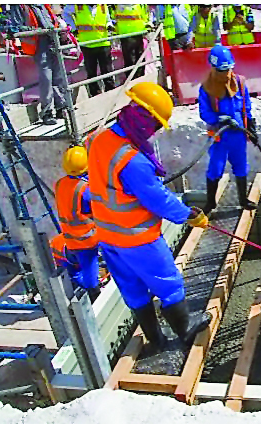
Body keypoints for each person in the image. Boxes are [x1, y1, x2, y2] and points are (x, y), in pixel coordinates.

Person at [85, 81, 212, 349]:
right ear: (145, 119)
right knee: (169, 284)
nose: (153, 133)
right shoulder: (132, 161)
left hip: (107, 235)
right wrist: (189, 215)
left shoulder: (98, 139)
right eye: (154, 126)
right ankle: (185, 330)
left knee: (133, 289)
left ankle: (155, 339)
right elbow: (157, 199)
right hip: (137, 237)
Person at [198, 45, 257, 214]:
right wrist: (217, 119)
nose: (227, 74)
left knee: (241, 165)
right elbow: (204, 111)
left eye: (229, 69)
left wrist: (251, 126)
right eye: (223, 70)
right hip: (220, 135)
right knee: (216, 167)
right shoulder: (207, 88)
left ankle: (243, 200)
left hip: (238, 133)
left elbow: (246, 105)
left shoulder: (239, 82)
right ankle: (210, 202)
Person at [55, 146, 101, 303]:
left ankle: (85, 285)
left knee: (80, 266)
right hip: (88, 238)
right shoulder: (85, 189)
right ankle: (96, 297)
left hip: (69, 237)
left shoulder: (60, 184)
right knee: (90, 270)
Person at [7, 5, 67, 125]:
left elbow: (50, 20)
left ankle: (61, 108)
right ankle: (47, 113)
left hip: (52, 41)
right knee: (46, 79)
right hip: (39, 44)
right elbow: (17, 27)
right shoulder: (20, 6)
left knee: (58, 77)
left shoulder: (42, 5)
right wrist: (38, 30)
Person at [63, 4, 115, 96]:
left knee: (107, 71)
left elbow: (107, 19)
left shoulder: (102, 5)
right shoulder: (77, 5)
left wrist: (109, 25)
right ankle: (95, 94)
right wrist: (73, 27)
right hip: (87, 44)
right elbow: (65, 13)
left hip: (103, 42)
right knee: (91, 73)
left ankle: (111, 92)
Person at [112, 5, 149, 80]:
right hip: (126, 34)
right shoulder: (117, 4)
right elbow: (113, 17)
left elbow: (145, 15)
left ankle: (141, 79)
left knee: (140, 57)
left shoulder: (141, 4)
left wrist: (147, 26)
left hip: (139, 33)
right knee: (130, 60)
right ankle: (132, 80)